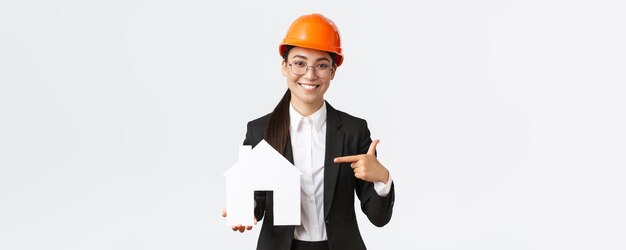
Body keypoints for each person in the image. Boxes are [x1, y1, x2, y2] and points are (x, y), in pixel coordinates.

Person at [222, 13, 395, 250]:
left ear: (333, 72)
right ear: (284, 66)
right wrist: (244, 208)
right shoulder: (260, 131)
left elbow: (379, 218)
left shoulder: (354, 131)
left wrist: (382, 179)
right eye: (299, 63)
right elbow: (257, 198)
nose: (310, 74)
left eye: (322, 65)